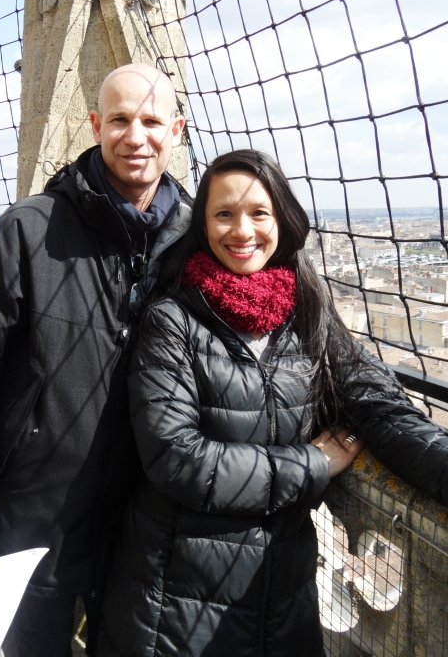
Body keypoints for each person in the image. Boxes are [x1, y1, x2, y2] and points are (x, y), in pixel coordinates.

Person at [99, 149, 448, 657]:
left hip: (282, 600)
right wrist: (309, 465)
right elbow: (176, 458)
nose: (242, 230)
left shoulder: (307, 311)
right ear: (203, 225)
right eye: (224, 213)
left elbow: (376, 401)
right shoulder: (171, 321)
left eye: (258, 212)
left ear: (282, 219)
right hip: (176, 602)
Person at [0, 64, 191, 657]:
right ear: (95, 125)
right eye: (119, 119)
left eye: (151, 121)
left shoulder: (197, 242)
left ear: (176, 131)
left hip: (143, 539)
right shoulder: (26, 232)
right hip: (29, 534)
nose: (136, 136)